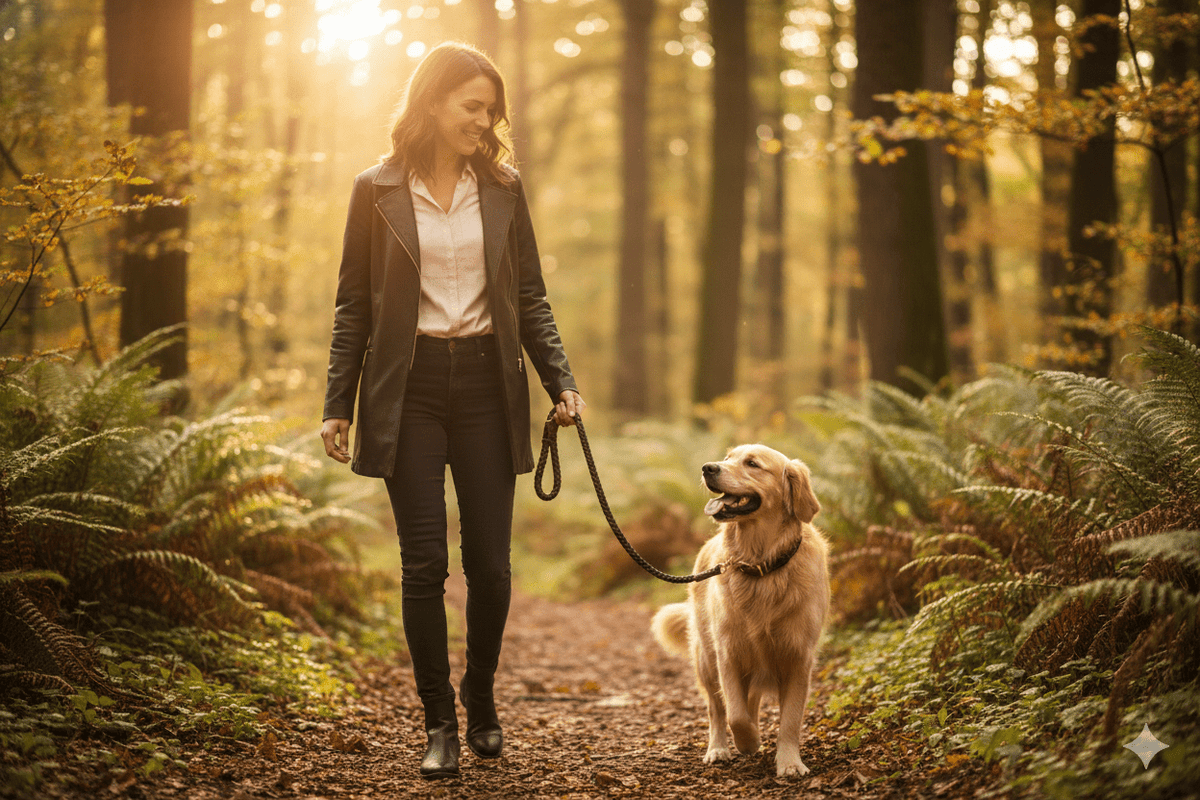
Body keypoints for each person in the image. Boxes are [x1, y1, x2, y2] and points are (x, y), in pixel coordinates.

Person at [319, 42, 584, 779]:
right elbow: (353, 306)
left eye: (491, 110)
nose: (485, 120)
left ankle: (480, 695)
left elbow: (530, 296)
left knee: (492, 569)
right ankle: (439, 720)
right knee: (423, 564)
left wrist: (560, 379)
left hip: (486, 387)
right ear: (432, 102)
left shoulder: (502, 188)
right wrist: (337, 402)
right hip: (409, 389)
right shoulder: (373, 189)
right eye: (473, 106)